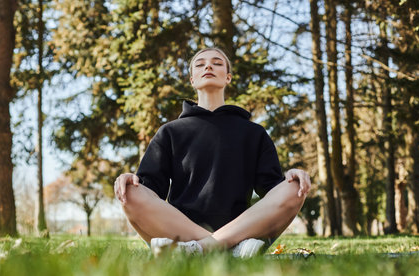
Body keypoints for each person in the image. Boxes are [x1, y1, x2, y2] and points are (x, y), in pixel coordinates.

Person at [114, 47, 310, 257]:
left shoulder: (253, 132)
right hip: (178, 229)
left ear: (228, 77)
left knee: (295, 186)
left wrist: (291, 176)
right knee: (130, 192)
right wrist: (130, 179)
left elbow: (272, 189)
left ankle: (198, 250)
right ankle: (227, 250)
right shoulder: (170, 132)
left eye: (217, 63)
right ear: (192, 80)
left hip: (243, 228)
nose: (208, 66)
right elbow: (148, 188)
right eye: (200, 64)